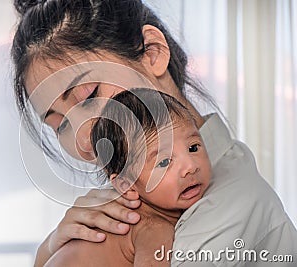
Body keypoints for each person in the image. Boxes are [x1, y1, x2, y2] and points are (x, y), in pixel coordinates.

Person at [11, 0, 297, 266]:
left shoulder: (227, 206)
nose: (84, 141)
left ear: (152, 53)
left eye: (89, 95)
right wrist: (51, 249)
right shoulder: (130, 203)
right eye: (60, 124)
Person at [44, 88, 212, 266]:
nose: (190, 167)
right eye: (163, 162)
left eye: (193, 148)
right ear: (127, 185)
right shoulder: (153, 228)